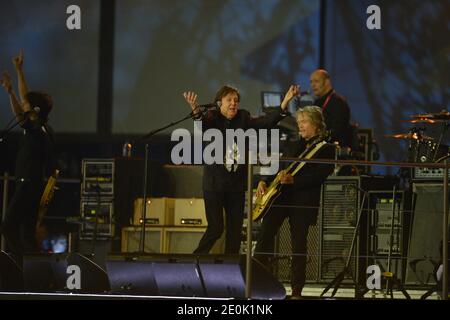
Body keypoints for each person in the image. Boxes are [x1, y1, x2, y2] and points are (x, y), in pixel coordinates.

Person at [183, 84, 297, 254]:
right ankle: (194, 260)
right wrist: (194, 108)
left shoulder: (243, 118)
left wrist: (284, 102)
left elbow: (265, 122)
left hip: (236, 185)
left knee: (234, 232)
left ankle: (230, 271)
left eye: (236, 100)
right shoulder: (212, 117)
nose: (233, 103)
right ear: (219, 102)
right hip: (214, 184)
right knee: (216, 229)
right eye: (229, 100)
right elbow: (201, 124)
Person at [255, 106, 335, 299]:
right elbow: (281, 169)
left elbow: (319, 176)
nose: (300, 126)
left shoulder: (327, 148)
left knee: (298, 245)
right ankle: (255, 282)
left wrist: (295, 180)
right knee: (264, 236)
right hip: (280, 198)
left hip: (302, 202)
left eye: (304, 122)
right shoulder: (294, 144)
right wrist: (264, 181)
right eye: (299, 122)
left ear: (316, 125)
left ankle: (296, 291)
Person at [0, 51, 56, 263]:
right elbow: (24, 104)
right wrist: (17, 74)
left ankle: (19, 262)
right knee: (25, 233)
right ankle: (32, 269)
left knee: (8, 226)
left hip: (29, 185)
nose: (23, 105)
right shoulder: (38, 126)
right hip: (30, 184)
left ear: (35, 111)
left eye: (27, 106)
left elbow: (22, 109)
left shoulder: (37, 129)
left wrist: (13, 88)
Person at [310, 69, 353, 148]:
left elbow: (337, 131)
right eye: (311, 82)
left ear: (327, 82)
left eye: (316, 81)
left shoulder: (338, 102)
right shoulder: (317, 103)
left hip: (333, 150)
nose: (313, 85)